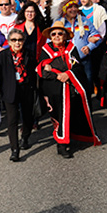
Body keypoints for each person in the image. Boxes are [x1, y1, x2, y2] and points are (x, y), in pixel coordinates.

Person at [37, 21, 100, 159]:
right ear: (50, 37)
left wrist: (68, 74)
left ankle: (74, 138)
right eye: (54, 34)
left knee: (73, 114)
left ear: (65, 36)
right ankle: (61, 144)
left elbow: (77, 66)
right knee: (59, 116)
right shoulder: (46, 49)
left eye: (60, 33)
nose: (57, 36)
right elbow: (42, 71)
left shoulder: (71, 47)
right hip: (55, 89)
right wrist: (58, 75)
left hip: (71, 87)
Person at [0, 29, 37, 162]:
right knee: (12, 120)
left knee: (28, 117)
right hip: (10, 90)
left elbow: (34, 72)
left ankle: (25, 136)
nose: (17, 43)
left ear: (24, 41)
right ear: (9, 42)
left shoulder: (30, 54)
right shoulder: (3, 55)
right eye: (14, 40)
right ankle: (14, 149)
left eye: (20, 40)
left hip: (26, 88)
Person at [52, 0, 101, 88]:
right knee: (70, 87)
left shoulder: (84, 21)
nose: (73, 9)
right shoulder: (59, 23)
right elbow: (50, 41)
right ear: (65, 9)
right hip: (66, 62)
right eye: (70, 7)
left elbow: (98, 37)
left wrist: (89, 47)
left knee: (87, 85)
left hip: (84, 60)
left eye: (75, 7)